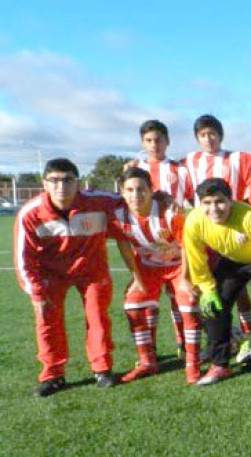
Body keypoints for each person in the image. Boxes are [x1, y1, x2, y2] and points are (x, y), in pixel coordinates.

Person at [14, 158, 122, 396]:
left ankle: (102, 369)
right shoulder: (30, 214)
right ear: (44, 183)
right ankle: (53, 375)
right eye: (54, 181)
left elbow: (131, 196)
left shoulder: (98, 201)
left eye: (67, 180)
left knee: (97, 316)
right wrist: (35, 293)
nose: (61, 186)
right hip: (50, 273)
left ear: (78, 183)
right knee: (47, 321)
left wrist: (160, 198)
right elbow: (24, 259)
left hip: (91, 269)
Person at [182, 178, 251, 388]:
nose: (214, 208)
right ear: (200, 204)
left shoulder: (250, 216)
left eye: (220, 202)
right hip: (233, 260)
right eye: (207, 203)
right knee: (212, 307)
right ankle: (220, 363)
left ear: (231, 201)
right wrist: (207, 289)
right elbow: (197, 260)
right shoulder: (194, 221)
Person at [113, 167, 202, 384]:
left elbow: (187, 247)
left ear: (152, 190)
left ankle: (192, 364)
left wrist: (188, 279)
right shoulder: (117, 215)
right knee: (133, 305)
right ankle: (147, 362)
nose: (136, 195)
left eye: (141, 189)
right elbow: (124, 247)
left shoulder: (170, 212)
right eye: (130, 190)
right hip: (148, 266)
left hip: (178, 265)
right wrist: (136, 278)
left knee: (189, 305)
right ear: (122, 193)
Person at [183, 114, 251, 362]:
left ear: (221, 135)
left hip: (235, 230)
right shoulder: (190, 161)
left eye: (212, 133)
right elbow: (165, 169)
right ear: (197, 138)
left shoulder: (237, 158)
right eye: (203, 135)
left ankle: (247, 335)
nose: (208, 139)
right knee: (207, 289)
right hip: (207, 233)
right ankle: (221, 339)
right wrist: (136, 164)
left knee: (240, 291)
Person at [132, 119, 194, 359]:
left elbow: (191, 198)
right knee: (150, 298)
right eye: (148, 140)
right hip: (145, 244)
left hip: (174, 241)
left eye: (158, 139)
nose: (154, 144)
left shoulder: (180, 169)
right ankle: (152, 345)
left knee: (177, 296)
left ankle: (182, 341)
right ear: (142, 143)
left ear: (167, 141)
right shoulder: (135, 168)